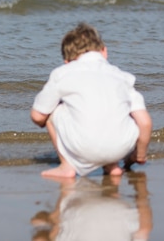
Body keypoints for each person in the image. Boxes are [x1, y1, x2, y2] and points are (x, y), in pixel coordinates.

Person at [31, 23, 152, 178]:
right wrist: (140, 155)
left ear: (67, 61)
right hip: (121, 147)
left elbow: (37, 116)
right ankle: (112, 165)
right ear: (104, 52)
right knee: (116, 107)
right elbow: (145, 122)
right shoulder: (122, 76)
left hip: (83, 146)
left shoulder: (62, 73)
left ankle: (66, 166)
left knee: (51, 111)